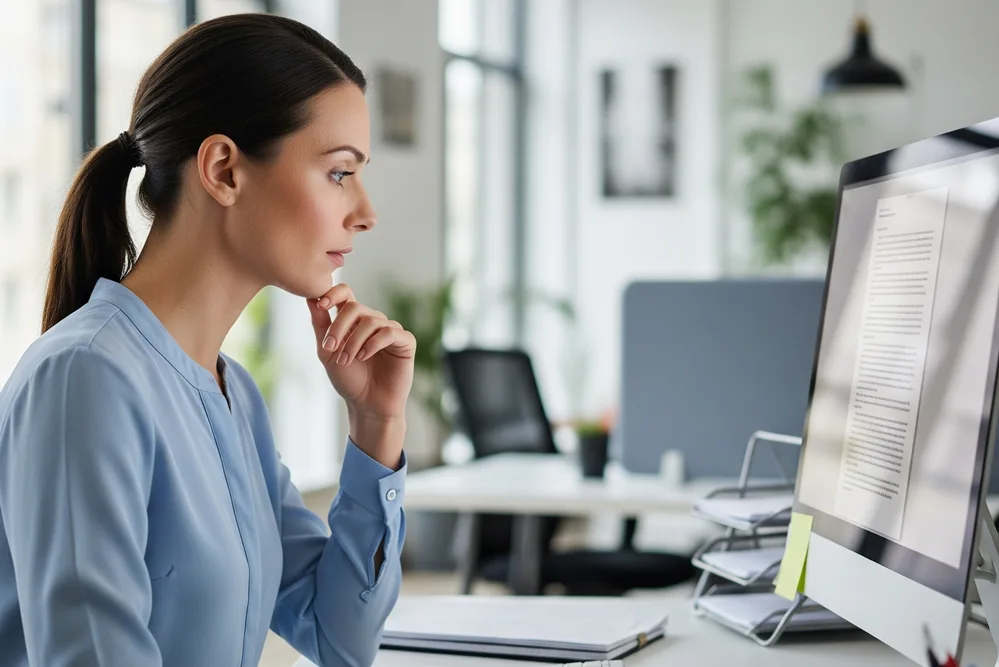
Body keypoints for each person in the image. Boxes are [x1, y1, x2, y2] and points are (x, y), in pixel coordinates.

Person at [0, 13, 416, 667]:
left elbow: (339, 638)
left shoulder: (234, 396)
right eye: (340, 173)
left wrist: (376, 423)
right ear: (223, 169)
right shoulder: (86, 376)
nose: (365, 213)